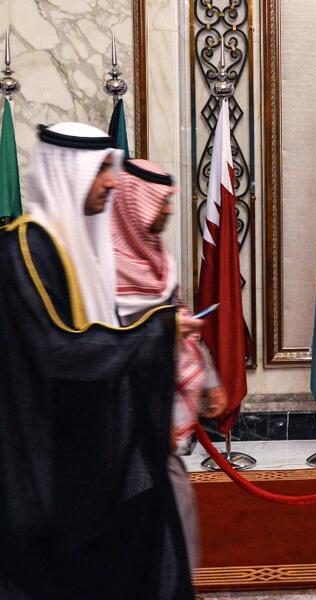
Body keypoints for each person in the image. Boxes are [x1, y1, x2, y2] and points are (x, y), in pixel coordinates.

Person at [0, 123, 199, 599]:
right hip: (42, 462)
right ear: (68, 174)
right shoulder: (24, 248)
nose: (112, 181)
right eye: (102, 170)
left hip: (82, 455)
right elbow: (62, 350)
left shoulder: (76, 250)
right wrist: (160, 329)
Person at [111, 157, 226, 572]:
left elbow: (180, 322)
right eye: (161, 202)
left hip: (160, 407)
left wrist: (209, 379)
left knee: (173, 510)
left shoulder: (158, 257)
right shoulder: (103, 265)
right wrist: (162, 330)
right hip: (124, 415)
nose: (168, 209)